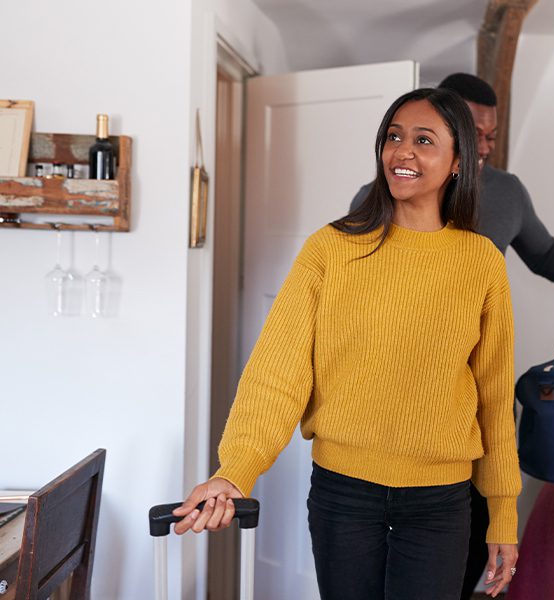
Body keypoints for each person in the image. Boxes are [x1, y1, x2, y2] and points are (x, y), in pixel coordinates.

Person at [172, 87, 521, 600]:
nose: (402, 151)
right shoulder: (330, 250)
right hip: (344, 494)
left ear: (458, 161)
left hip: (441, 503)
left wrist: (503, 515)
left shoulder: (481, 262)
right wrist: (236, 470)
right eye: (393, 137)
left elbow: (493, 400)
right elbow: (278, 372)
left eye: (423, 140)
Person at [351, 73, 554, 600]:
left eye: (492, 134)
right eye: (474, 131)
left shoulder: (505, 191)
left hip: (474, 386)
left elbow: (544, 254)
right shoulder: (386, 190)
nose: (486, 144)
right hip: (390, 402)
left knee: (468, 537)